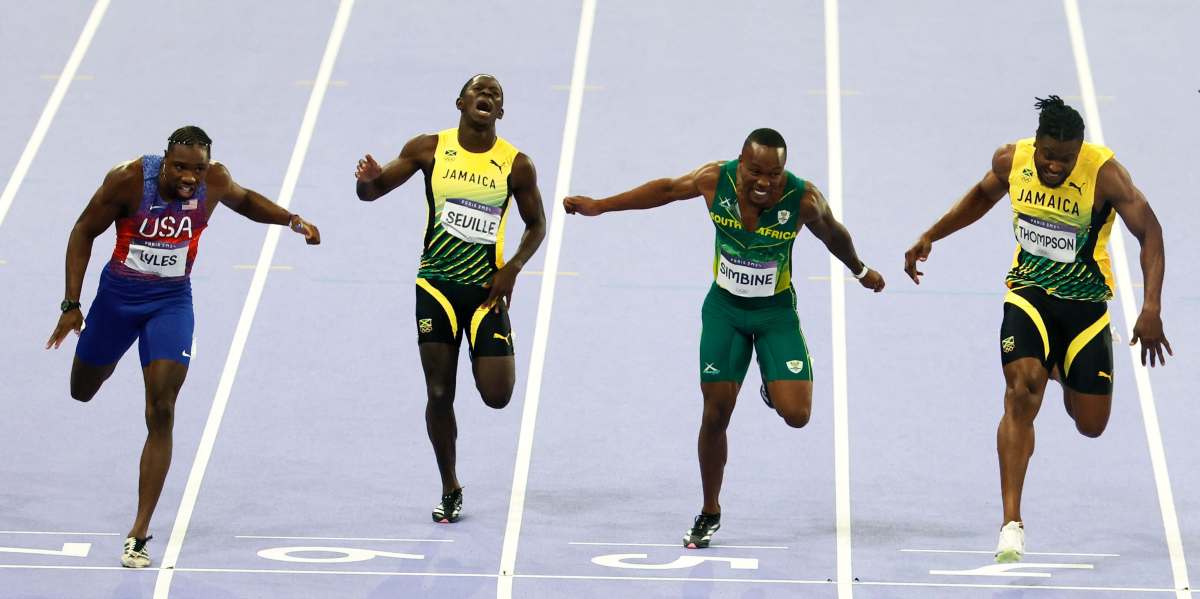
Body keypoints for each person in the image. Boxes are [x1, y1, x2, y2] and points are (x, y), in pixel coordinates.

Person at [564, 128, 884, 548]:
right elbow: (664, 190)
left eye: (774, 173)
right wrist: (601, 207)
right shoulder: (714, 179)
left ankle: (771, 384)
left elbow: (833, 234)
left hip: (775, 314)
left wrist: (860, 271)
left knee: (798, 415)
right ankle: (710, 510)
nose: (764, 182)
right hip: (725, 312)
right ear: (740, 163)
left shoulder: (803, 200)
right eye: (755, 171)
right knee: (716, 413)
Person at [902, 96, 1170, 563]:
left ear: (1079, 150)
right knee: (1021, 391)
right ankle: (1011, 524)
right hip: (1028, 294)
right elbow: (982, 197)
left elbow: (1150, 231)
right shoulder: (1013, 159)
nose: (1053, 166)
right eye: (1048, 154)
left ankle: (1065, 368)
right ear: (1038, 143)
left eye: (1065, 159)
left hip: (1085, 309)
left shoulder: (1105, 175)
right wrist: (932, 234)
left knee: (1091, 425)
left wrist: (1150, 307)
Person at [45, 126, 321, 567]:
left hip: (171, 303)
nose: (189, 177)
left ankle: (138, 533)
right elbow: (83, 231)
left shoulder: (213, 180)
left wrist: (290, 219)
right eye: (180, 168)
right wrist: (71, 303)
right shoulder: (129, 180)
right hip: (117, 302)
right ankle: (111, 352)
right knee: (82, 389)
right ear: (164, 162)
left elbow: (245, 201)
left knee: (162, 408)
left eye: (198, 168)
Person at [354, 74, 546, 524]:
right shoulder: (428, 149)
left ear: (500, 113)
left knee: (497, 396)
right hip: (436, 287)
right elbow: (371, 193)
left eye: (496, 95)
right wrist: (367, 180)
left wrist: (512, 268)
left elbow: (536, 225)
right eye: (480, 91)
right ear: (460, 101)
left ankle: (492, 359)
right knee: (439, 392)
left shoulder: (516, 164)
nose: (487, 97)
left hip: (485, 293)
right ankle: (450, 485)